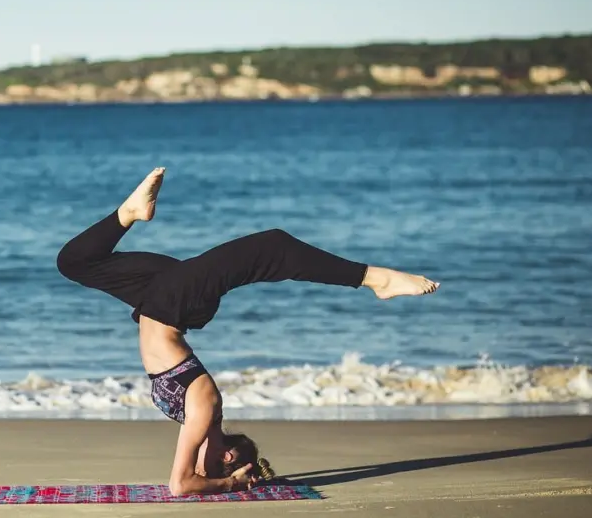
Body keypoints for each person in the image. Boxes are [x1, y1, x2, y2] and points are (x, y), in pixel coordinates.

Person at [56, 167, 439, 496]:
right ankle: (374, 279)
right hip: (172, 304)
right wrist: (235, 480)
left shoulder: (198, 415)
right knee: (272, 245)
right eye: (225, 463)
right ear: (228, 455)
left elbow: (180, 484)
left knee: (74, 262)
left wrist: (229, 483)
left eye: (218, 467)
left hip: (161, 300)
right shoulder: (205, 407)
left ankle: (129, 213)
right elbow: (186, 481)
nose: (215, 462)